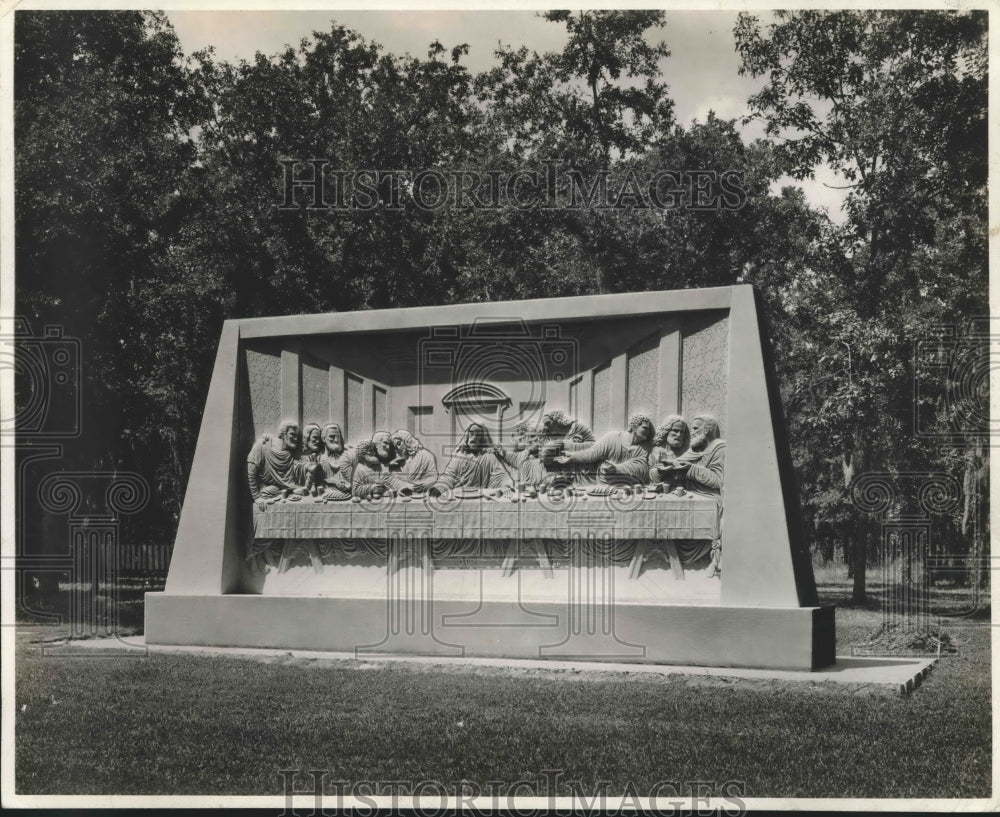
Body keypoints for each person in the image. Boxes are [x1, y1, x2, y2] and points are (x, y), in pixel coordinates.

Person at [554, 413, 654, 487]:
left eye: (649, 429)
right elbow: (593, 453)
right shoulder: (612, 438)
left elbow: (642, 469)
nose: (648, 431)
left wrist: (616, 468)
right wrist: (572, 456)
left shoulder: (644, 448)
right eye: (645, 428)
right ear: (634, 427)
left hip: (630, 488)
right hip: (606, 486)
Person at [434, 422, 515, 493]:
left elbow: (500, 475)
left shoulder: (489, 457)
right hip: (460, 495)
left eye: (478, 435)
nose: (474, 438)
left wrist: (506, 485)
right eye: (472, 434)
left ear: (482, 439)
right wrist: (440, 487)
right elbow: (449, 476)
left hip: (480, 496)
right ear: (467, 436)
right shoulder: (460, 456)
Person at [246, 420, 308, 510]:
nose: (296, 439)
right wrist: (256, 497)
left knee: (273, 490)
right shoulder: (262, 446)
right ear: (283, 434)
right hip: (265, 494)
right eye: (292, 434)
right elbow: (251, 471)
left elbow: (286, 481)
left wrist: (293, 489)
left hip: (277, 492)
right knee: (268, 491)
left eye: (297, 436)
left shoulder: (289, 455)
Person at [351, 432, 417, 499]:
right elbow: (355, 490)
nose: (373, 453)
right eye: (370, 450)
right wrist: (371, 488)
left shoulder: (378, 466)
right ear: (363, 453)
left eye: (373, 450)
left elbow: (390, 479)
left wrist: (402, 487)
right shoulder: (360, 469)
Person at [648, 415, 691, 490]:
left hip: (680, 490)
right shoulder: (657, 451)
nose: (679, 435)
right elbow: (652, 477)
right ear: (666, 431)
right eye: (675, 430)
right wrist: (660, 471)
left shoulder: (685, 452)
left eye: (682, 432)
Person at [318, 422, 352, 499]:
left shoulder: (344, 459)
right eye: (332, 437)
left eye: (338, 437)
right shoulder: (318, 458)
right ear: (323, 439)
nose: (336, 440)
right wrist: (335, 482)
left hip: (344, 494)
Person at [299, 422, 325, 496]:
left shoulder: (321, 455)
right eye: (314, 437)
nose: (318, 441)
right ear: (306, 437)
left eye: (319, 438)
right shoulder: (299, 457)